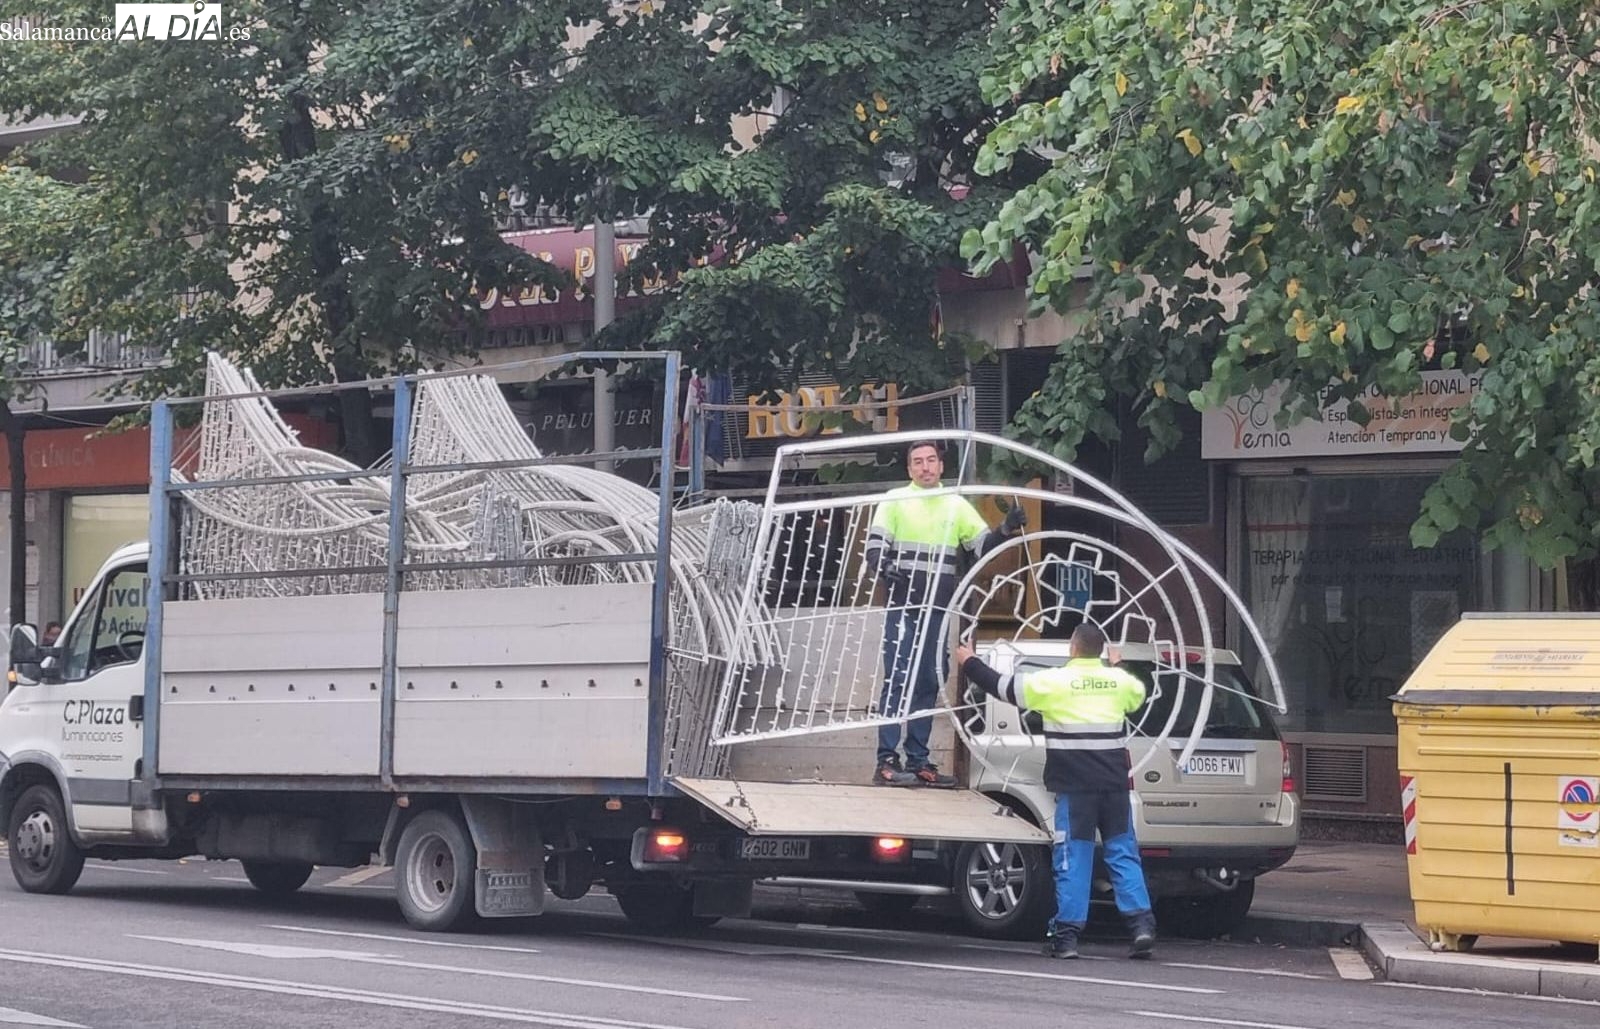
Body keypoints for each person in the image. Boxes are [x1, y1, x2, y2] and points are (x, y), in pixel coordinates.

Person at [954, 622, 1157, 960]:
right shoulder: (1118, 681)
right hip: (1114, 784)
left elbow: (1003, 687)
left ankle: (1066, 937)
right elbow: (1140, 692)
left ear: (1072, 649)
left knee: (1073, 856)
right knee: (1122, 852)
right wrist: (1119, 664)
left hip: (1076, 786)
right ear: (1100, 651)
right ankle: (1142, 927)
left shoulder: (1055, 682)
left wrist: (969, 662)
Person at [865, 439, 1024, 788]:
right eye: (918, 462)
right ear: (909, 469)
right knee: (897, 680)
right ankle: (886, 761)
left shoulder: (956, 505)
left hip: (938, 610)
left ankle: (918, 759)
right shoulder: (895, 499)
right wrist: (884, 564)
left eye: (931, 460)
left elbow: (982, 548)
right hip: (904, 608)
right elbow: (874, 547)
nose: (925, 467)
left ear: (940, 466)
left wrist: (1006, 529)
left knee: (930, 681)